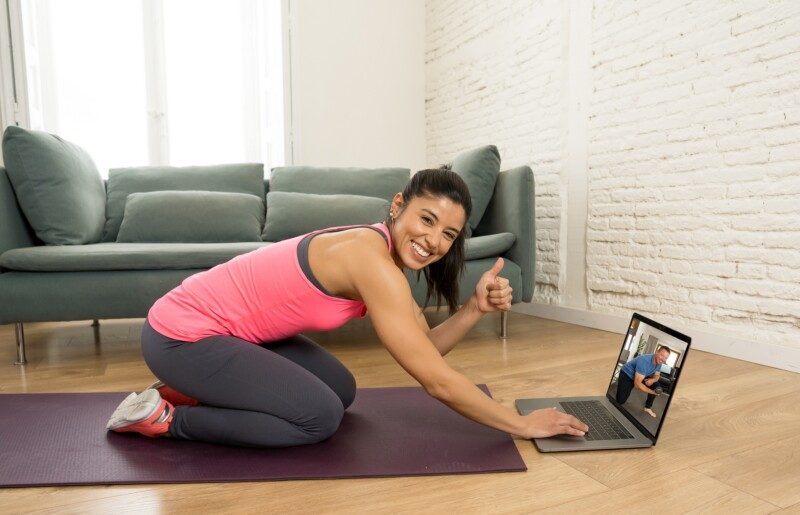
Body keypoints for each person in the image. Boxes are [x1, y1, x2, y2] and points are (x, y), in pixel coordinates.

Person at [106, 166, 588, 447]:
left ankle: (191, 388)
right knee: (318, 418)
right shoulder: (370, 262)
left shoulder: (382, 256)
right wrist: (519, 423)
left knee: (341, 389)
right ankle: (163, 418)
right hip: (179, 335)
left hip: (222, 335)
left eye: (448, 233)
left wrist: (473, 310)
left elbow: (424, 348)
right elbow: (435, 380)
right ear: (398, 205)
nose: (433, 240)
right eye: (426, 219)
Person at [615, 346, 671, 418]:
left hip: (640, 375)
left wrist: (652, 380)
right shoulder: (645, 360)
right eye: (662, 355)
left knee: (657, 386)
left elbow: (657, 375)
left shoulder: (659, 363)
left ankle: (647, 407)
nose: (663, 359)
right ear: (657, 352)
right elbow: (637, 385)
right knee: (620, 401)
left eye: (665, 357)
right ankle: (621, 386)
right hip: (627, 375)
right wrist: (652, 392)